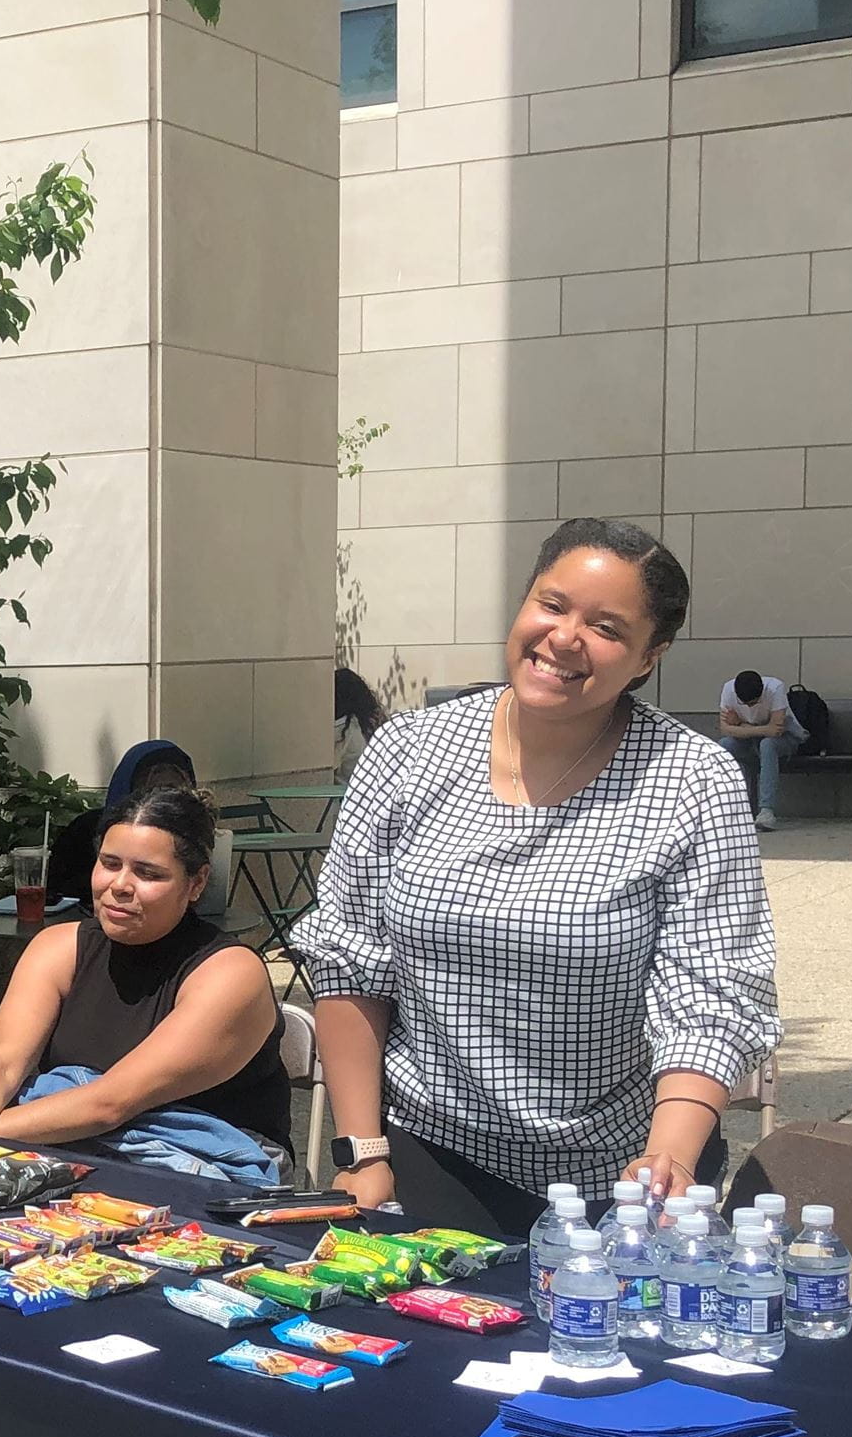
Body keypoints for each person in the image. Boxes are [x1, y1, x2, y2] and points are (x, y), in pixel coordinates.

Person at [292, 518, 780, 1241]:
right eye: (552, 605)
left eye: (608, 627)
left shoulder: (691, 779)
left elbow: (711, 993)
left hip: (625, 1177)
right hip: (433, 1152)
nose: (565, 638)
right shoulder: (408, 751)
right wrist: (362, 1151)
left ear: (650, 656)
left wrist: (666, 1158)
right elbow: (350, 958)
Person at [0, 784, 291, 1185]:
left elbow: (111, 1102)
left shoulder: (229, 973)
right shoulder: (57, 949)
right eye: (109, 864)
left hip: (213, 1173)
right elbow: (0, 1064)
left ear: (196, 884)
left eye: (148, 873)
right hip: (77, 1153)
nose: (120, 885)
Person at [49, 738, 196, 912]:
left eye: (171, 789)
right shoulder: (86, 829)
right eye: (111, 864)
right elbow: (54, 890)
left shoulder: (196, 834)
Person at [718, 667, 804, 830]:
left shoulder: (775, 688)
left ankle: (766, 810)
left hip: (785, 739)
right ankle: (734, 807)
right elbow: (725, 730)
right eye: (745, 704)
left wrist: (741, 725)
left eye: (754, 703)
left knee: (767, 745)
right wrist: (758, 729)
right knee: (724, 745)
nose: (750, 707)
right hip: (749, 741)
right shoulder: (728, 690)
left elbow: (776, 730)